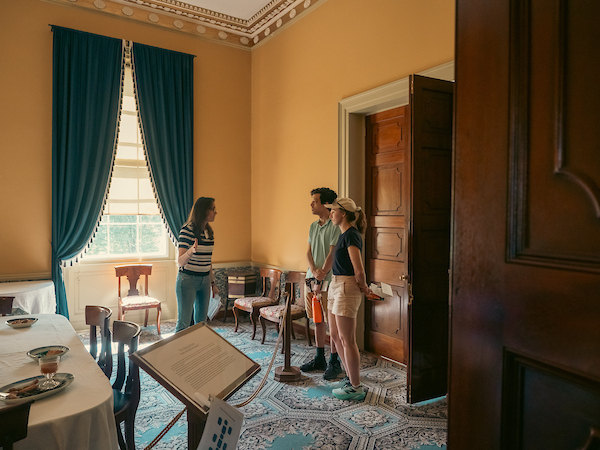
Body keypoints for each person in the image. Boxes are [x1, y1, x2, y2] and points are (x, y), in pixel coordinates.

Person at [324, 197, 373, 401]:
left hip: (347, 286)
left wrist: (364, 287)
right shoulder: (343, 234)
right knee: (335, 336)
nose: (331, 214)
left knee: (347, 339)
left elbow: (358, 269)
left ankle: (356, 386)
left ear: (343, 213)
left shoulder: (352, 236)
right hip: (335, 284)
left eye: (333, 211)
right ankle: (349, 377)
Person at [300, 188, 343, 380]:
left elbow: (332, 254)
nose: (311, 204)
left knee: (331, 322)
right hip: (311, 278)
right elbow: (308, 252)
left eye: (314, 201)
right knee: (316, 319)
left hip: (328, 279)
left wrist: (321, 275)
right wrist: (314, 273)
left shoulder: (335, 227)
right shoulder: (312, 226)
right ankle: (320, 358)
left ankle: (334, 361)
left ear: (325, 204)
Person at [175, 197, 220, 332]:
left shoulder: (209, 232)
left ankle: (196, 351)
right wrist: (191, 251)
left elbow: (208, 261)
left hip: (205, 280)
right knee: (184, 322)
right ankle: (179, 352)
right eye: (213, 209)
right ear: (203, 211)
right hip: (188, 279)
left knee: (201, 324)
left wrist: (213, 284)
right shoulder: (187, 230)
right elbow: (180, 262)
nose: (215, 212)